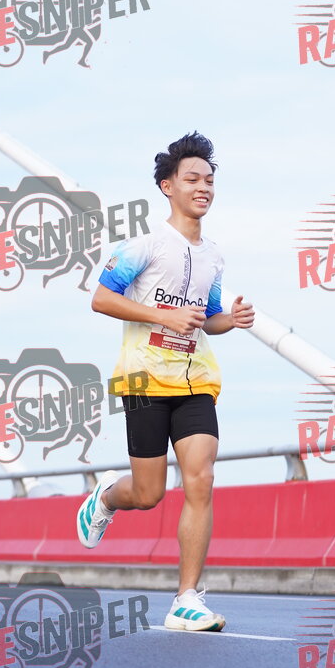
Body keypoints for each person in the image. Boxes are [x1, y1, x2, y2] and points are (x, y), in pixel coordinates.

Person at [76, 132, 255, 631]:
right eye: (192, 179)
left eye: (209, 180)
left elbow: (208, 319)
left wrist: (231, 319)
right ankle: (107, 496)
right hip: (143, 378)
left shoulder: (214, 256)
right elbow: (101, 299)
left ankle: (186, 599)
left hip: (196, 379)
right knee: (149, 492)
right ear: (167, 186)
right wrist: (163, 315)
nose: (204, 188)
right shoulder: (144, 246)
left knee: (202, 478)